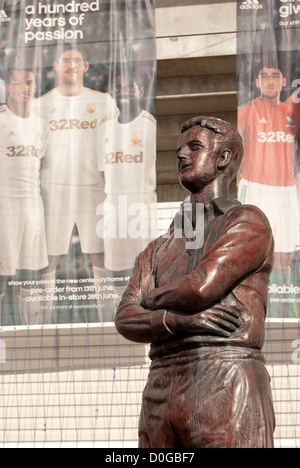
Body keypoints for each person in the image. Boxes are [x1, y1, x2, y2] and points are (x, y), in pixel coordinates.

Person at [115, 116, 275, 448]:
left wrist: (151, 299)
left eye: (195, 147)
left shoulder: (248, 220)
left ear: (223, 158)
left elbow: (199, 288)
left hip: (225, 374)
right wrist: (177, 320)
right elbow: (124, 318)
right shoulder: (158, 246)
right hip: (160, 384)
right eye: (179, 150)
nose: (182, 156)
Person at [31, 45, 119, 323]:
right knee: (48, 259)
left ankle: (110, 321)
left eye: (76, 60)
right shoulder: (39, 105)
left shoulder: (103, 102)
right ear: (55, 66)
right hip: (52, 189)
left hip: (92, 188)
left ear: (86, 66)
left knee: (100, 257)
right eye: (65, 60)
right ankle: (39, 324)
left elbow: (115, 147)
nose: (71, 64)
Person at [237, 64, 300, 316]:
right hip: (256, 188)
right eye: (265, 76)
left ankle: (285, 306)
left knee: (286, 254)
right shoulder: (246, 111)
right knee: (255, 251)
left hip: (286, 190)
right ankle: (256, 307)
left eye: (275, 76)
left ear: (284, 80)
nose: (271, 81)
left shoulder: (293, 113)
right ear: (256, 81)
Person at [97, 73, 157, 319]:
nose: (122, 91)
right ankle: (120, 318)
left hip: (140, 202)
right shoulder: (105, 129)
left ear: (139, 90)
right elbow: (103, 173)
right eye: (117, 88)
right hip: (113, 204)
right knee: (116, 269)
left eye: (128, 87)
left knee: (145, 266)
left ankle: (146, 315)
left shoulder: (149, 124)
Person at [0, 67, 48, 325]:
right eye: (17, 83)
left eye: (29, 82)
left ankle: (32, 335)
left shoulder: (41, 123)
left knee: (30, 277)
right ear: (8, 87)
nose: (24, 88)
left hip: (32, 206)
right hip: (3, 206)